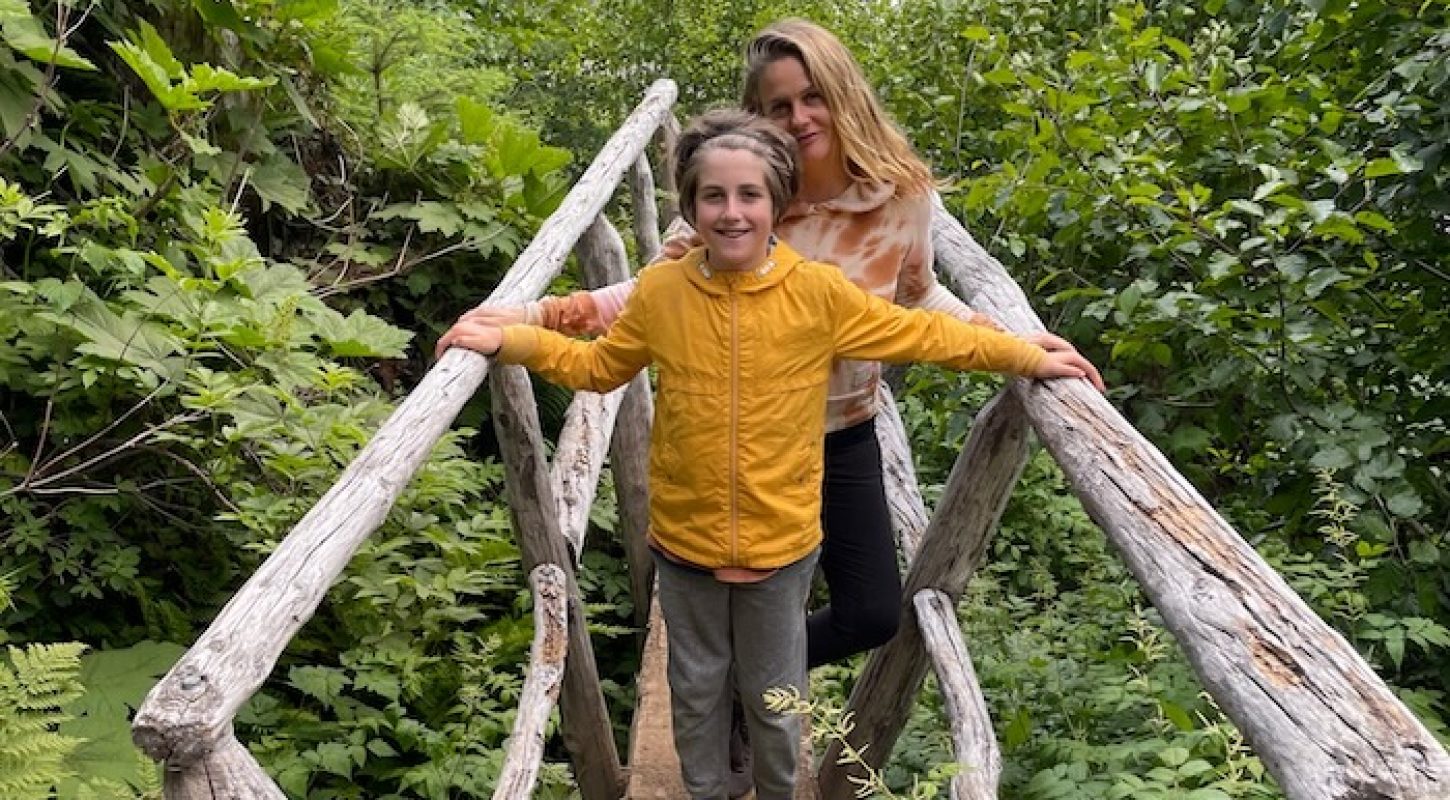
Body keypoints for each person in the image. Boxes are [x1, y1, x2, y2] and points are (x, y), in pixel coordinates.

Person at [436, 109, 1099, 800]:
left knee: (776, 701)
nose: (731, 212)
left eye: (749, 195)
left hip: (781, 547)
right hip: (683, 544)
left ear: (778, 204)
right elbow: (602, 366)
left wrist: (1029, 355)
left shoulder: (818, 293)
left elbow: (926, 334)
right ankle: (709, 791)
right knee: (693, 694)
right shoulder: (663, 292)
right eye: (712, 196)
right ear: (689, 207)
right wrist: (510, 340)